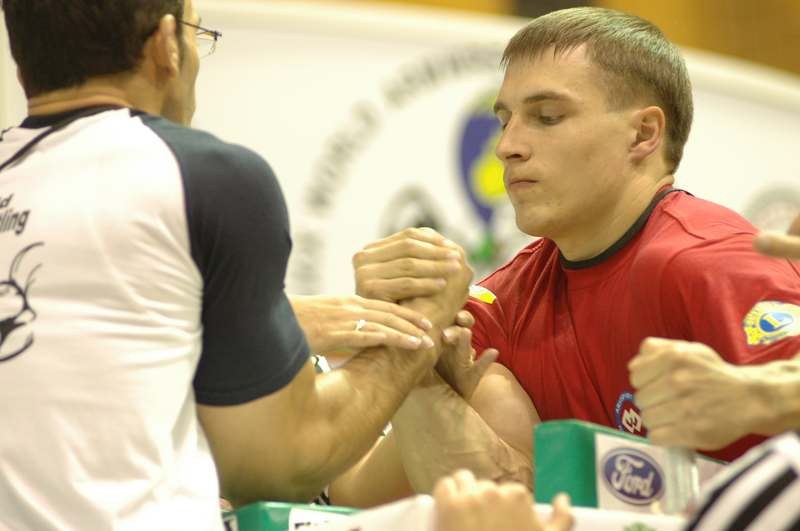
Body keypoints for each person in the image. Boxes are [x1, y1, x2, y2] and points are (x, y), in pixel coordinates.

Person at [0, 1, 474, 529]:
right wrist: (419, 330)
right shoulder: (206, 176)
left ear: (22, 63)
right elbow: (281, 466)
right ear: (165, 46)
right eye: (198, 35)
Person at [333, 6, 800, 505]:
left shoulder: (710, 260)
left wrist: (758, 399)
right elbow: (357, 495)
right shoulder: (504, 298)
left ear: (644, 134)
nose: (507, 146)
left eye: (547, 117)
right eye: (505, 119)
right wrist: (407, 341)